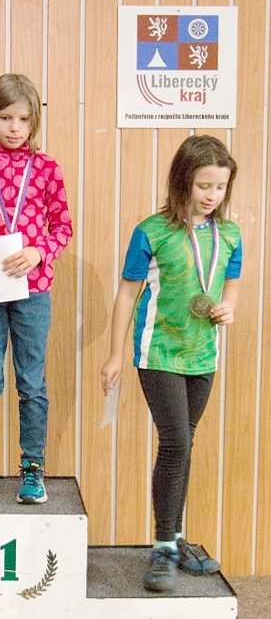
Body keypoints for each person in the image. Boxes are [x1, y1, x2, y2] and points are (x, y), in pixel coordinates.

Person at [101, 135, 242, 591]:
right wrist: (116, 353)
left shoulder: (230, 234)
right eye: (203, 185)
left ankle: (176, 538)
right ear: (183, 181)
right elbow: (127, 293)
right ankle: (163, 545)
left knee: (185, 444)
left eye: (220, 188)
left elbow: (231, 283)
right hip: (156, 351)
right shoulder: (152, 230)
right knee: (176, 443)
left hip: (203, 355)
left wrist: (227, 307)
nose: (211, 195)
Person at [0, 73, 72, 505]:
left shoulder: (47, 169)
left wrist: (40, 252)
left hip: (34, 289)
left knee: (31, 382)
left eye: (23, 118)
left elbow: (62, 226)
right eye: (5, 117)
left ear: (34, 121)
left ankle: (32, 468)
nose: (14, 127)